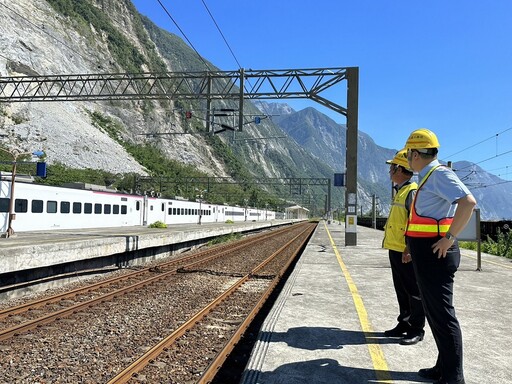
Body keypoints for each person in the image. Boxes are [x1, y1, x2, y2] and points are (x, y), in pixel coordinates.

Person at [404, 128, 477, 384]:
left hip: (436, 253)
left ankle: (454, 377)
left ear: (415, 153)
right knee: (435, 313)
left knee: (443, 314)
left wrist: (450, 238)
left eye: (408, 154)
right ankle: (442, 367)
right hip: (428, 253)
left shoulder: (438, 175)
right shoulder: (428, 176)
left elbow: (468, 202)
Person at [382, 149, 425, 345]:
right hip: (395, 248)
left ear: (399, 169)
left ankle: (416, 329)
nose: (390, 171)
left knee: (413, 291)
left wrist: (409, 248)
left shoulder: (411, 191)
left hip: (405, 251)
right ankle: (404, 323)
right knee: (401, 289)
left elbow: (414, 222)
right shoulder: (401, 191)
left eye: (392, 167)